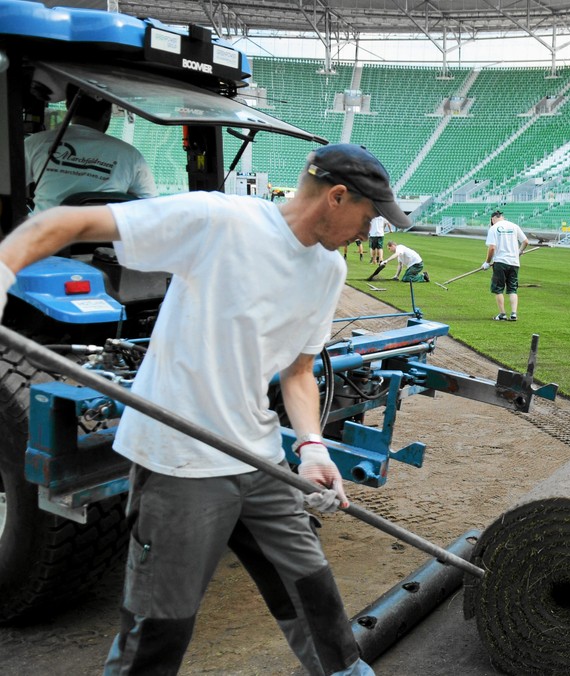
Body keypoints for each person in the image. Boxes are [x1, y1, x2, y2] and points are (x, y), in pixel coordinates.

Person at [0, 143, 411, 676]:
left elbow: (299, 372)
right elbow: (62, 221)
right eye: (369, 215)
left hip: (259, 459)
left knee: (315, 596)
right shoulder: (220, 220)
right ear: (336, 196)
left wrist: (311, 448)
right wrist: (5, 269)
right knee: (159, 632)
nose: (369, 231)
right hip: (180, 463)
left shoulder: (328, 270)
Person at [25, 86, 157, 213]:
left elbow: (9, 189)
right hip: (102, 234)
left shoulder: (35, 143)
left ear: (68, 107)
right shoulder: (131, 155)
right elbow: (151, 206)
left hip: (45, 233)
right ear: (107, 114)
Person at [481, 210, 528, 321]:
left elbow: (492, 248)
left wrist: (487, 262)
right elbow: (525, 242)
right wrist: (519, 252)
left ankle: (502, 314)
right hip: (514, 263)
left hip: (500, 262)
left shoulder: (493, 228)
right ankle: (513, 314)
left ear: (492, 219)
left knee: (498, 289)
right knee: (512, 289)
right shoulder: (514, 226)